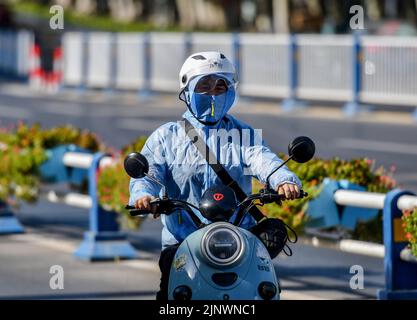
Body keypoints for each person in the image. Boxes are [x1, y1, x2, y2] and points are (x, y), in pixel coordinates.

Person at [129, 51, 302, 300]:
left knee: (264, 292)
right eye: (204, 86)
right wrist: (144, 195)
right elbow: (148, 173)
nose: (213, 94)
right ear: (187, 91)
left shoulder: (243, 134)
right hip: (184, 242)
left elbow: (263, 159)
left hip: (238, 241)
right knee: (172, 297)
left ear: (231, 91)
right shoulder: (166, 137)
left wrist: (283, 180)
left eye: (220, 86)